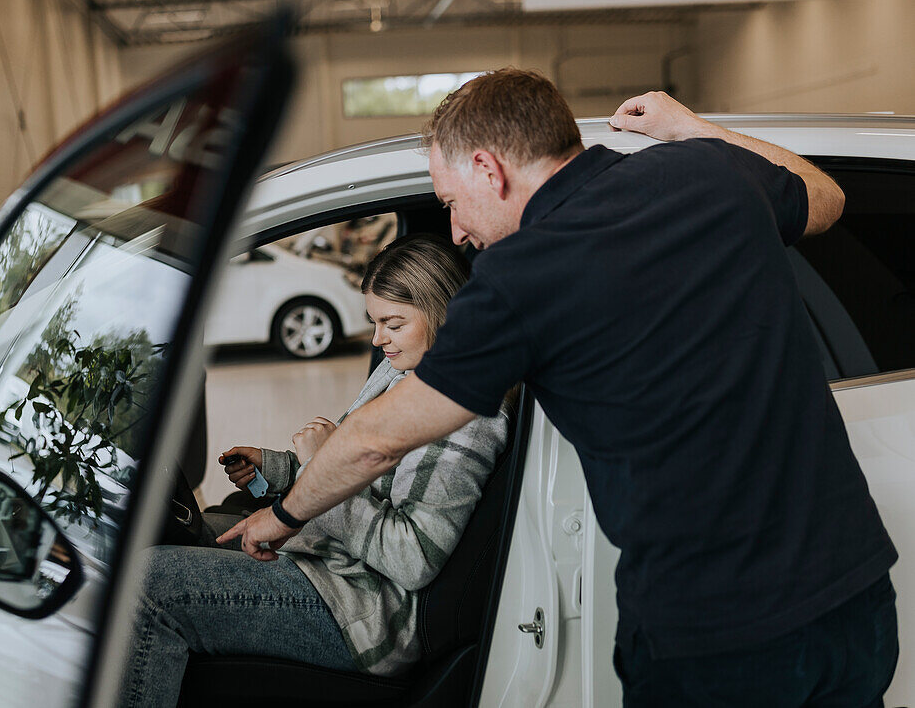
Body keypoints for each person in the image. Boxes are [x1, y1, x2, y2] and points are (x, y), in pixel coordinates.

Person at [220, 73, 899, 706]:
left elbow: (374, 442)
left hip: (715, 639)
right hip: (854, 602)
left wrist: (282, 516)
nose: (455, 230)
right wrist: (695, 126)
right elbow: (826, 199)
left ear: (489, 168)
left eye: (453, 203)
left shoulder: (519, 279)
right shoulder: (706, 169)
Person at [119, 234, 511, 707]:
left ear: (442, 313)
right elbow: (352, 467)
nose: (376, 338)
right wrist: (279, 470)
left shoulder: (469, 421)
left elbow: (412, 560)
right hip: (331, 560)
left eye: (393, 323)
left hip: (364, 608)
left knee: (150, 584)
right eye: (373, 322)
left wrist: (313, 465)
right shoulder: (404, 371)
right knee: (188, 535)